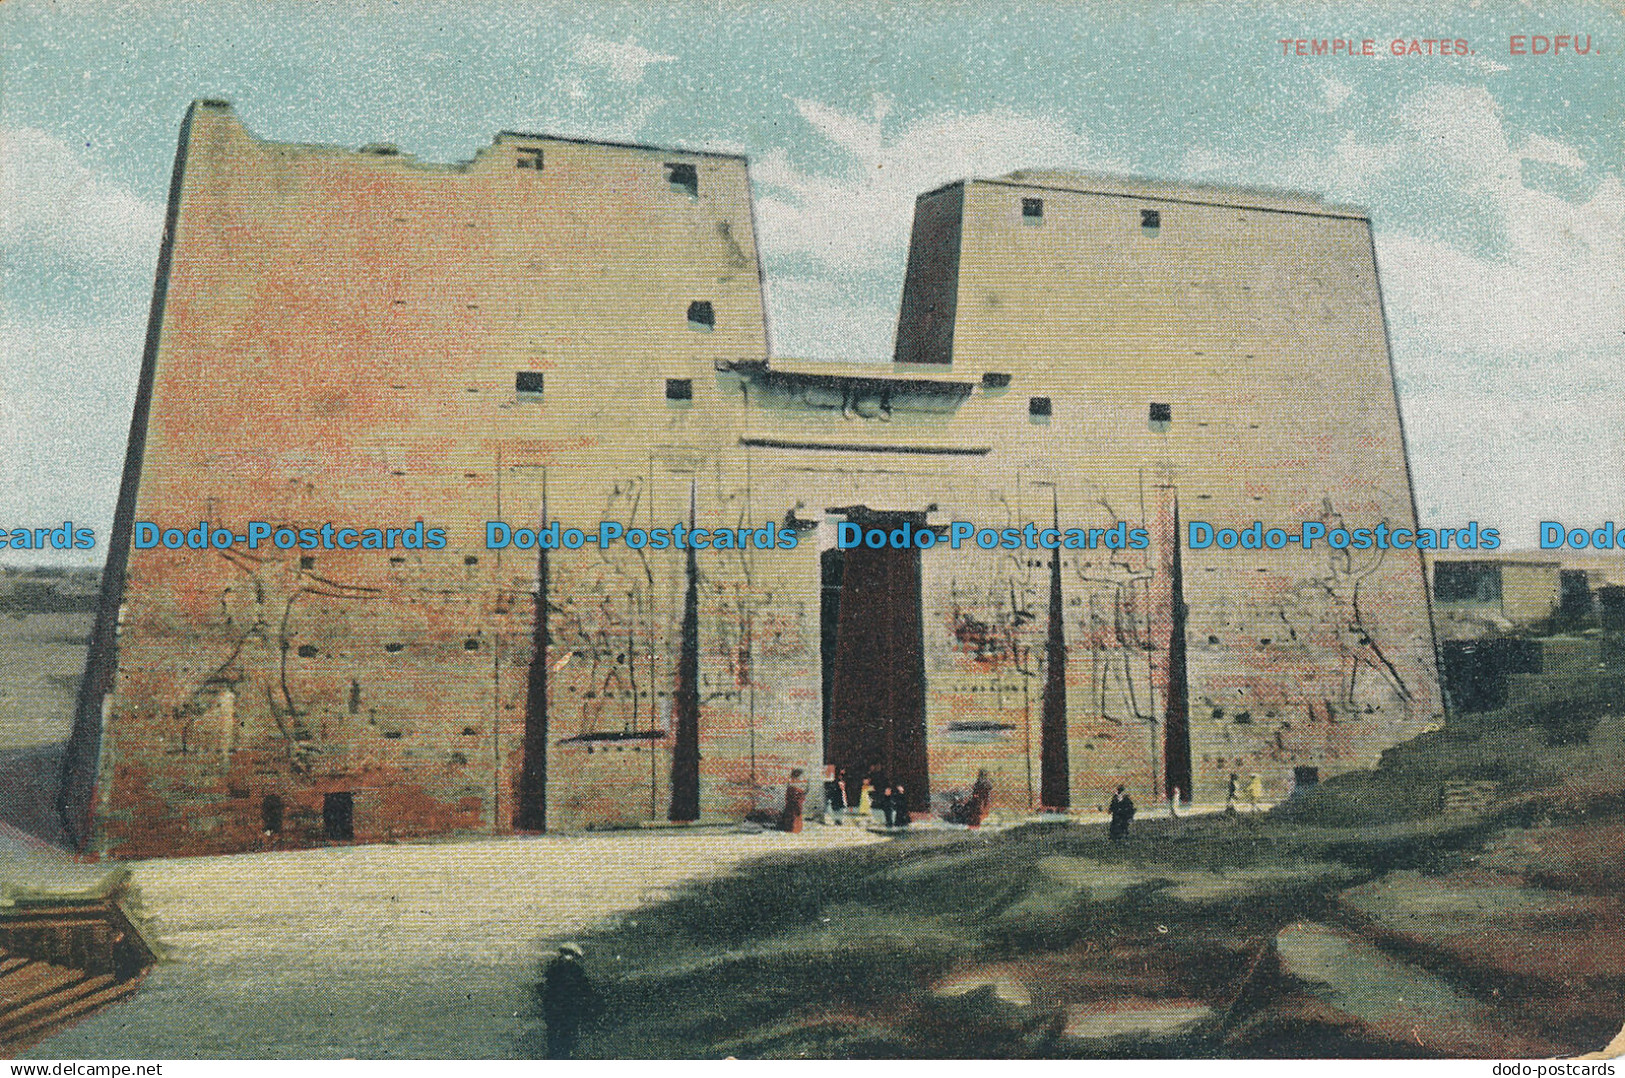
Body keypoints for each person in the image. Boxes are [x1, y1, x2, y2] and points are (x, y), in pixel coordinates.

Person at [539, 943, 601, 1059]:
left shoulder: (553, 967)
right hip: (570, 1007)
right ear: (574, 955)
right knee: (569, 1033)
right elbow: (584, 988)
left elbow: (546, 987)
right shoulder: (575, 969)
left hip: (554, 1007)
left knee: (554, 1033)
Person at [778, 768, 807, 833]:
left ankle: (793, 828)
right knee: (792, 814)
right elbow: (790, 792)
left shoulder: (797, 781)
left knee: (794, 814)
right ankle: (791, 828)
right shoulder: (791, 781)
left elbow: (800, 793)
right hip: (793, 801)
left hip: (794, 801)